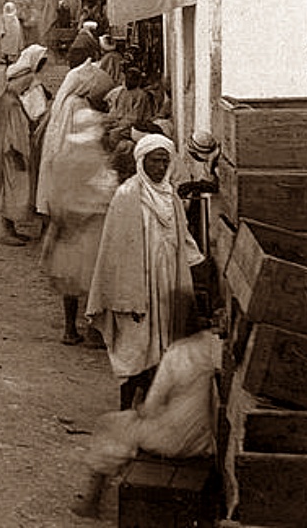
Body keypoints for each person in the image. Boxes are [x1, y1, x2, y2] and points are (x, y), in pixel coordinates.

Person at [87, 134, 204, 411]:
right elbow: (115, 252)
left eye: (165, 161)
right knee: (133, 350)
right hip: (135, 287)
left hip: (165, 283)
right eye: (155, 161)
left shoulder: (170, 197)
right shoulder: (127, 196)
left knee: (162, 348)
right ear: (142, 161)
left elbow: (183, 240)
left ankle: (149, 410)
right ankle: (125, 409)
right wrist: (126, 297)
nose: (160, 167)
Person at [73, 328, 222, 518]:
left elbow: (152, 407)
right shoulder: (212, 346)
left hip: (177, 441)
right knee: (130, 426)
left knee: (111, 426)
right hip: (205, 440)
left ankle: (92, 500)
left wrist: (138, 410)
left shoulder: (178, 353)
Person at [35, 62, 118, 346]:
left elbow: (55, 196)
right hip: (91, 229)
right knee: (95, 283)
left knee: (69, 284)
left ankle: (69, 329)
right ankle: (94, 331)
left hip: (66, 230)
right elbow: (105, 193)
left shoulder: (63, 157)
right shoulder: (95, 159)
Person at [0, 44, 48, 245]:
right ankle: (7, 231)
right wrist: (19, 153)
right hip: (13, 154)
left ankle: (11, 229)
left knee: (10, 191)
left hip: (8, 154)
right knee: (13, 192)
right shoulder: (11, 104)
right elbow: (13, 135)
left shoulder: (6, 99)